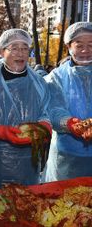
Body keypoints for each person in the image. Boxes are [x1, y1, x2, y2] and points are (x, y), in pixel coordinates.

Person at [0, 29, 52, 191]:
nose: (20, 53)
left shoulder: (39, 82)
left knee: (25, 204)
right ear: (2, 51)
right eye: (14, 48)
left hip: (28, 160)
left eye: (25, 48)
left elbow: (45, 111)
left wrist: (45, 126)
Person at [43, 22, 92, 182]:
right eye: (79, 45)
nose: (86, 51)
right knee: (63, 203)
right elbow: (53, 109)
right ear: (69, 46)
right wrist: (70, 123)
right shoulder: (56, 77)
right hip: (66, 157)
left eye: (91, 45)